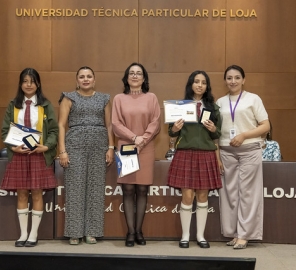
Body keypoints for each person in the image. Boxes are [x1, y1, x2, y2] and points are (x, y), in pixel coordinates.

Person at [0, 68, 58, 247]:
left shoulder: (45, 105)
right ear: (20, 84)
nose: (28, 84)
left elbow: (54, 131)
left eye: (32, 81)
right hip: (19, 156)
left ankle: (33, 235)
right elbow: (5, 131)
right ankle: (22, 235)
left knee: (37, 193)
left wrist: (46, 146)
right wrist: (13, 146)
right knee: (22, 193)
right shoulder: (13, 105)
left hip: (38, 155)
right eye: (25, 81)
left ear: (38, 84)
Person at [58, 66, 115, 245]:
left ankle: (92, 231)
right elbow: (61, 125)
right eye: (82, 77)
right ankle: (74, 232)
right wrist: (62, 151)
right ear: (77, 80)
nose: (85, 79)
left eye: (89, 76)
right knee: (75, 190)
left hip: (99, 147)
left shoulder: (104, 99)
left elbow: (110, 126)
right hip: (74, 147)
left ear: (94, 80)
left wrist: (111, 147)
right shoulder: (68, 97)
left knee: (95, 190)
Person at [216, 65, 270, 249]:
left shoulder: (253, 99)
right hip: (226, 151)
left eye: (237, 77)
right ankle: (233, 233)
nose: (233, 81)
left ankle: (245, 235)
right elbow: (215, 131)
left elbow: (265, 126)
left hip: (249, 149)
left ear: (243, 80)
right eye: (229, 78)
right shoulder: (220, 102)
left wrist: (244, 135)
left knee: (248, 193)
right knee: (229, 193)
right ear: (225, 81)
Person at [167, 70, 222, 249]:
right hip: (185, 153)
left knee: (203, 195)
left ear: (207, 87)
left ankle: (200, 236)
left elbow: (217, 135)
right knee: (187, 196)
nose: (200, 85)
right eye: (196, 81)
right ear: (191, 84)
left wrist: (213, 128)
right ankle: (185, 236)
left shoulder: (213, 108)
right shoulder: (180, 106)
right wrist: (175, 128)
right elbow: (171, 132)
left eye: (203, 82)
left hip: (206, 154)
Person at [112, 62, 160, 247]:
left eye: (138, 73)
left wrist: (142, 140)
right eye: (131, 73)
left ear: (144, 78)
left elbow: (155, 122)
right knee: (128, 189)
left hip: (146, 147)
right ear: (126, 77)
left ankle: (139, 231)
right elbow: (116, 124)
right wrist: (134, 138)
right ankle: (130, 232)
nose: (134, 76)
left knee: (142, 190)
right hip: (126, 146)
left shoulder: (151, 97)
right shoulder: (118, 98)